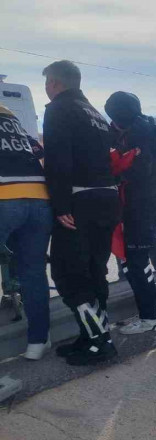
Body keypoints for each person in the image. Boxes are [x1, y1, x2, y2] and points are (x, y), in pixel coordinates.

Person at [42, 60, 121, 365]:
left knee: (68, 275)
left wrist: (60, 204)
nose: (47, 88)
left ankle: (101, 341)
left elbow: (58, 158)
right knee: (93, 271)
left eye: (48, 82)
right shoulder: (95, 114)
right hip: (107, 199)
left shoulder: (59, 108)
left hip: (79, 199)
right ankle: (89, 338)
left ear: (55, 83)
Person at [105, 91, 156, 335]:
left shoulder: (139, 136)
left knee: (136, 262)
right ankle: (149, 311)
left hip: (144, 204)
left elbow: (140, 173)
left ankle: (150, 317)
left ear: (121, 119)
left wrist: (116, 174)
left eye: (113, 119)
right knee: (137, 258)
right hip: (150, 201)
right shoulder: (147, 128)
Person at [0, 103, 54, 360]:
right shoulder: (8, 113)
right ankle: (38, 341)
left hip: (4, 197)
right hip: (39, 198)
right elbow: (37, 147)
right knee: (33, 272)